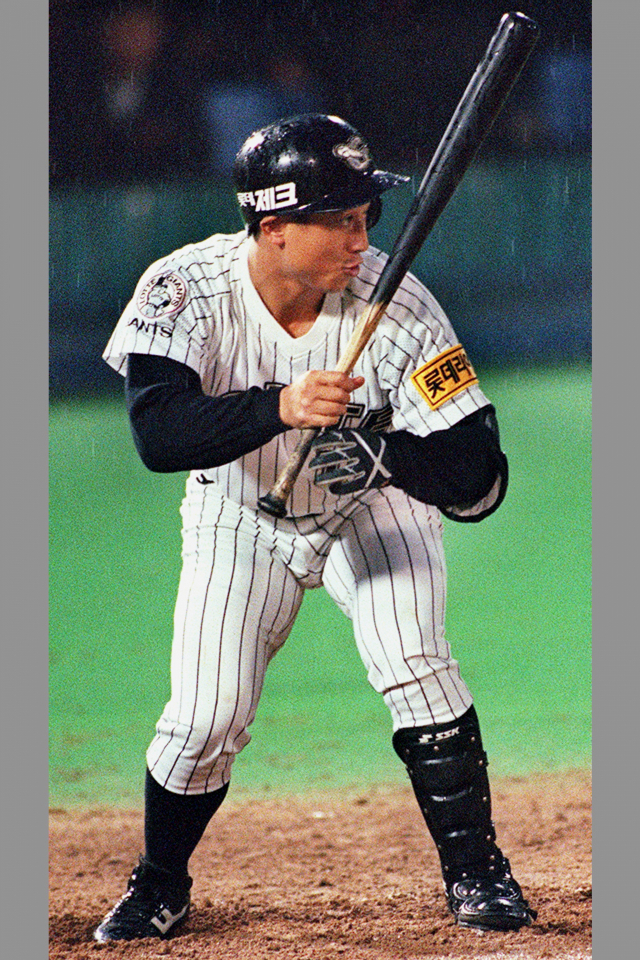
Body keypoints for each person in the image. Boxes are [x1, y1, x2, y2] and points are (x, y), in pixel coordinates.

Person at [94, 113, 537, 943]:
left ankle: (478, 873)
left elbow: (481, 478)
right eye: (339, 220)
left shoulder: (399, 303)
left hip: (369, 503)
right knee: (204, 720)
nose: (361, 240)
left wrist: (387, 456)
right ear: (273, 227)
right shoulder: (184, 288)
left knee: (414, 659)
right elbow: (159, 434)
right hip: (238, 512)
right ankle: (159, 883)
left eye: (365, 216)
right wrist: (281, 406)